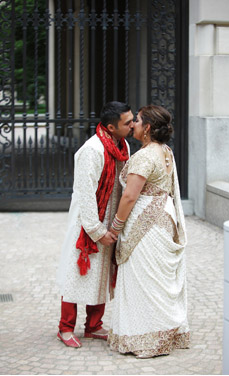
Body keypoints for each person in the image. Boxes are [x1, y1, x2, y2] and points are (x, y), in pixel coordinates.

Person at [107, 104, 189, 359]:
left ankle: (146, 338)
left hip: (146, 225)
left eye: (138, 121)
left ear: (148, 128)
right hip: (164, 219)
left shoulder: (144, 156)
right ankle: (165, 333)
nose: (133, 125)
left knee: (143, 281)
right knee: (157, 280)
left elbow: (130, 196)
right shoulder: (165, 151)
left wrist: (116, 227)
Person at [56, 101, 133, 348]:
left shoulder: (123, 145)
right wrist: (97, 230)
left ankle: (93, 325)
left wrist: (116, 225)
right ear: (111, 127)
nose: (133, 125)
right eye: (128, 122)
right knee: (76, 273)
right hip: (88, 225)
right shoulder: (92, 150)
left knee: (101, 274)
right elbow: (84, 194)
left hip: (111, 221)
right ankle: (65, 328)